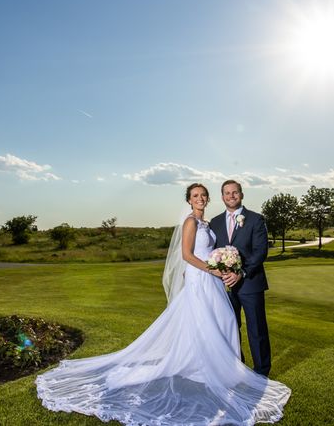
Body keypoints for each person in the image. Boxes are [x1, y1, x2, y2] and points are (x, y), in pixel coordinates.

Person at [36, 183, 290, 425]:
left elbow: (240, 250)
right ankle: (215, 366)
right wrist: (212, 270)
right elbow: (187, 255)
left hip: (218, 280)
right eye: (195, 195)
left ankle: (233, 368)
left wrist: (226, 265)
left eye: (203, 195)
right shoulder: (192, 222)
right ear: (189, 200)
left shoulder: (212, 222)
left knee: (224, 321)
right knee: (209, 321)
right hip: (204, 277)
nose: (200, 198)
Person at [210, 180, 272, 376]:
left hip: (250, 284)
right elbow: (212, 252)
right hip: (224, 286)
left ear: (242, 195)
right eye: (227, 193)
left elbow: (260, 251)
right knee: (230, 328)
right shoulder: (215, 222)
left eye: (235, 192)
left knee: (257, 329)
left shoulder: (255, 219)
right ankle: (237, 366)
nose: (231, 196)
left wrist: (241, 272)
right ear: (222, 197)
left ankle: (262, 372)